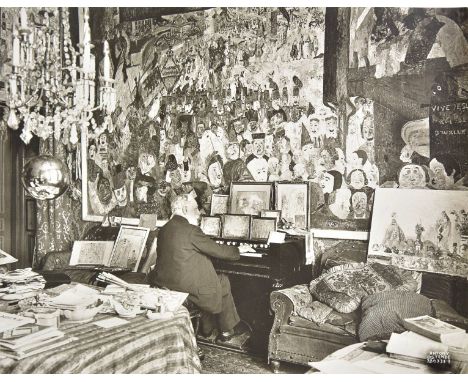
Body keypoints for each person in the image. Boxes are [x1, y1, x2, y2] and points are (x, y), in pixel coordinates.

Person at [149, 194, 253, 342]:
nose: (199, 213)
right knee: (222, 280)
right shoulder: (191, 230)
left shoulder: (164, 229)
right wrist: (239, 250)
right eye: (196, 209)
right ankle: (226, 331)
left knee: (209, 278)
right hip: (187, 290)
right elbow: (217, 250)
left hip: (166, 284)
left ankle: (207, 328)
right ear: (185, 209)